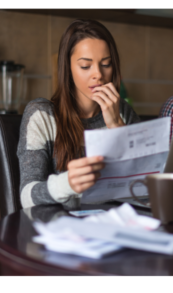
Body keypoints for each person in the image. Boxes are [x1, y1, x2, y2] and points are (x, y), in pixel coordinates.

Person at [17, 19, 140, 209]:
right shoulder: (42, 115)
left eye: (106, 64)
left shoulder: (123, 112)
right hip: (61, 229)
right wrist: (67, 184)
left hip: (115, 224)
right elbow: (27, 197)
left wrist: (116, 125)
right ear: (68, 68)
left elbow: (145, 189)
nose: (98, 74)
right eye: (85, 66)